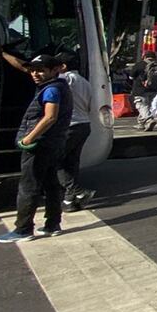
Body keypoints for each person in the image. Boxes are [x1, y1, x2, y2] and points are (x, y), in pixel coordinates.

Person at [0, 54, 73, 242]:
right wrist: (3, 53)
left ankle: (23, 229)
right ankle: (52, 224)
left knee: (28, 186)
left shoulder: (51, 90)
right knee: (51, 183)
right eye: (33, 71)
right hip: (53, 143)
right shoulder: (57, 86)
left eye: (40, 70)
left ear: (54, 70)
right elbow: (23, 67)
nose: (35, 74)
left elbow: (50, 117)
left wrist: (28, 138)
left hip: (40, 144)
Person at [57, 53, 95, 212]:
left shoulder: (66, 79)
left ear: (63, 66)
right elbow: (89, 106)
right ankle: (69, 200)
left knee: (56, 161)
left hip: (69, 126)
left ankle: (78, 191)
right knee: (71, 162)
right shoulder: (85, 82)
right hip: (83, 124)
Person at [129, 52, 157, 131]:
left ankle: (149, 120)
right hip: (155, 89)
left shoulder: (140, 64)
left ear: (144, 56)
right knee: (146, 106)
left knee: (141, 105)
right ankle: (141, 124)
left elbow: (131, 76)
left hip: (141, 89)